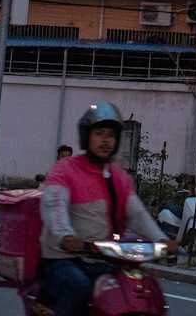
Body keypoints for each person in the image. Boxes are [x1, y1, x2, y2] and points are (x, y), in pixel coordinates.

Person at [38, 102, 171, 316]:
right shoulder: (66, 170)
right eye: (99, 133)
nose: (106, 140)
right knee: (80, 288)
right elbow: (55, 207)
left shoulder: (119, 177)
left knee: (144, 291)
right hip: (63, 259)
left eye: (111, 135)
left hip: (104, 260)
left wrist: (162, 239)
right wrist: (66, 236)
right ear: (86, 136)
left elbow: (136, 214)